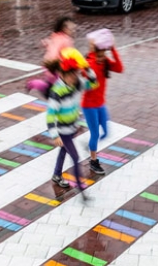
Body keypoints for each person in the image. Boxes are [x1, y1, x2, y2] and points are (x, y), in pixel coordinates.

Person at [46, 53, 98, 200]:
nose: (74, 77)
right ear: (62, 74)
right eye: (71, 75)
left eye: (76, 74)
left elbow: (94, 83)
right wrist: (55, 135)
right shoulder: (57, 91)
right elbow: (50, 114)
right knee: (74, 157)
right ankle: (82, 190)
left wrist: (87, 68)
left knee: (63, 151)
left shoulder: (77, 84)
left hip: (72, 129)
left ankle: (56, 175)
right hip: (63, 130)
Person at [81, 29, 123, 176]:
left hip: (100, 103)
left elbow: (119, 68)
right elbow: (81, 80)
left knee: (105, 132)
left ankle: (91, 148)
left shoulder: (104, 62)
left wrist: (113, 49)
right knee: (95, 134)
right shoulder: (89, 63)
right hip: (89, 105)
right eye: (103, 50)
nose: (104, 53)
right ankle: (93, 161)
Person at [26, 17, 77, 96]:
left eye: (74, 29)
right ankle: (35, 84)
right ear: (64, 28)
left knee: (53, 90)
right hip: (55, 69)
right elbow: (54, 53)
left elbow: (54, 48)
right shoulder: (64, 39)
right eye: (72, 29)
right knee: (58, 92)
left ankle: (35, 84)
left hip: (53, 68)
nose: (73, 31)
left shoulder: (58, 36)